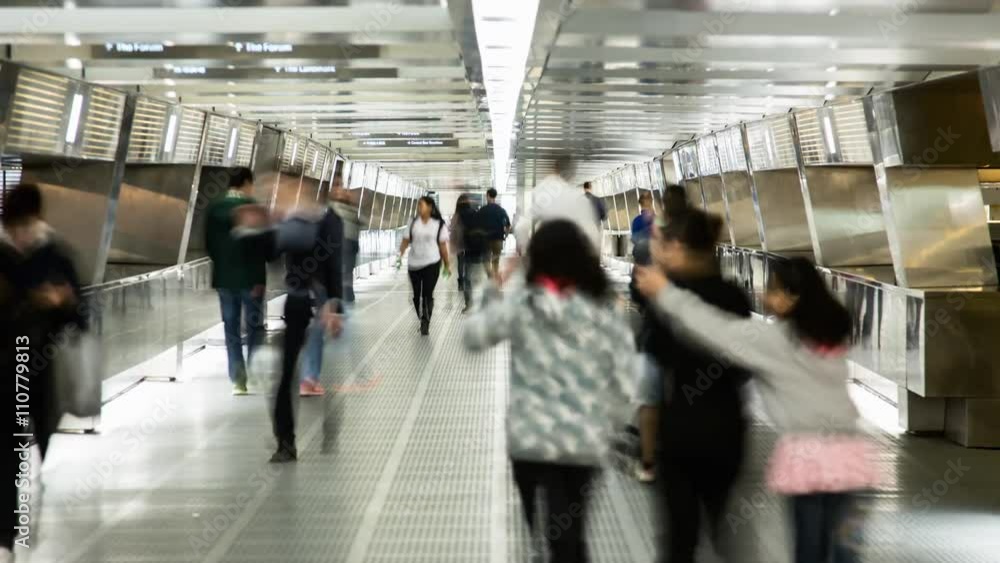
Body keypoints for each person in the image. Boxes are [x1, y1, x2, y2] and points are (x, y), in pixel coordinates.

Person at [636, 257, 880, 563]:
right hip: (853, 461)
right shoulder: (831, 337)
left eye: (773, 290)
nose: (765, 296)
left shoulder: (777, 341)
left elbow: (717, 329)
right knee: (847, 553)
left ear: (793, 298)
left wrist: (665, 292)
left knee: (810, 552)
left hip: (810, 462)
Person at [463, 220, 637, 562]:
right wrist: (612, 426)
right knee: (572, 528)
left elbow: (473, 337)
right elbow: (626, 378)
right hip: (585, 440)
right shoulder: (604, 310)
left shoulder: (523, 305)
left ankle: (541, 546)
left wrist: (492, 289)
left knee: (547, 526)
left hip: (531, 439)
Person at [634, 208, 753, 563]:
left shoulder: (668, 296)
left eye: (665, 246)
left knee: (678, 538)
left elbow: (653, 351)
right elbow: (744, 364)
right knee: (725, 528)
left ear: (680, 246)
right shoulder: (734, 296)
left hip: (682, 428)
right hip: (728, 429)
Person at [204, 168, 267, 395]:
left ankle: (238, 380)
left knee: (230, 329)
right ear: (247, 183)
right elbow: (262, 247)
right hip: (251, 279)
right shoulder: (253, 208)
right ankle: (255, 369)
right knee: (254, 326)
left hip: (224, 279)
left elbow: (209, 245)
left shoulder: (214, 208)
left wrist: (223, 265)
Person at [298, 174, 361, 397]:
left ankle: (307, 377)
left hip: (307, 282)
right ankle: (308, 378)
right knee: (316, 330)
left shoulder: (309, 215)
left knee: (311, 329)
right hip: (320, 282)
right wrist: (335, 301)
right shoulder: (331, 219)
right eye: (336, 185)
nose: (340, 189)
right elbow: (333, 259)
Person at [513, 156, 600, 257]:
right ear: (573, 174)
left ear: (555, 168)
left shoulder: (543, 193)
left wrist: (528, 252)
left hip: (546, 259)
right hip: (571, 260)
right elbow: (593, 237)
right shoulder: (579, 199)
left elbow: (521, 227)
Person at [398, 196, 451, 336]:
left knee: (427, 294)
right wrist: (400, 256)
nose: (418, 208)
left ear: (430, 207)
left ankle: (425, 321)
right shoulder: (413, 222)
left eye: (421, 205)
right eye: (418, 205)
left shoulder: (439, 224)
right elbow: (405, 240)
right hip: (414, 265)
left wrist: (447, 265)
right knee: (416, 297)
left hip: (432, 263)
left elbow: (443, 246)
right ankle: (422, 316)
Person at [450, 193, 488, 312]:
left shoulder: (457, 216)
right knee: (481, 278)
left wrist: (456, 249)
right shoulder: (476, 213)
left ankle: (469, 304)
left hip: (467, 251)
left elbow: (455, 234)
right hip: (481, 249)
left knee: (467, 279)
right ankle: (483, 304)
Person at [479, 188, 510, 278]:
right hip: (498, 239)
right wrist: (506, 236)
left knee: (486, 259)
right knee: (496, 259)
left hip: (485, 239)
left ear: (488, 195)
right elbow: (508, 225)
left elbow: (477, 224)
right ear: (495, 196)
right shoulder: (501, 210)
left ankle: (490, 274)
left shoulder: (482, 210)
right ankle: (495, 275)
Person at [630, 191, 655, 258]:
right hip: (656, 256)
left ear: (640, 204)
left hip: (641, 257)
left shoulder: (636, 221)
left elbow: (634, 239)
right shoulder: (657, 219)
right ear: (651, 202)